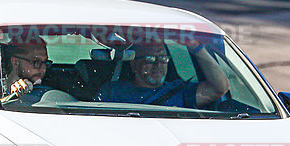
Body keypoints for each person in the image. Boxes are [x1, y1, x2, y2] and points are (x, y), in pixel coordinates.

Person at [95, 40, 230, 108]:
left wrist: (196, 46)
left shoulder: (179, 90)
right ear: (134, 64)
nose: (158, 64)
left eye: (163, 59)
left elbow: (220, 87)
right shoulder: (112, 91)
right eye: (150, 59)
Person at [0, 37, 53, 104]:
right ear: (15, 61)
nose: (43, 69)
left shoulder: (48, 87)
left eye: (45, 62)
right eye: (36, 62)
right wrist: (12, 96)